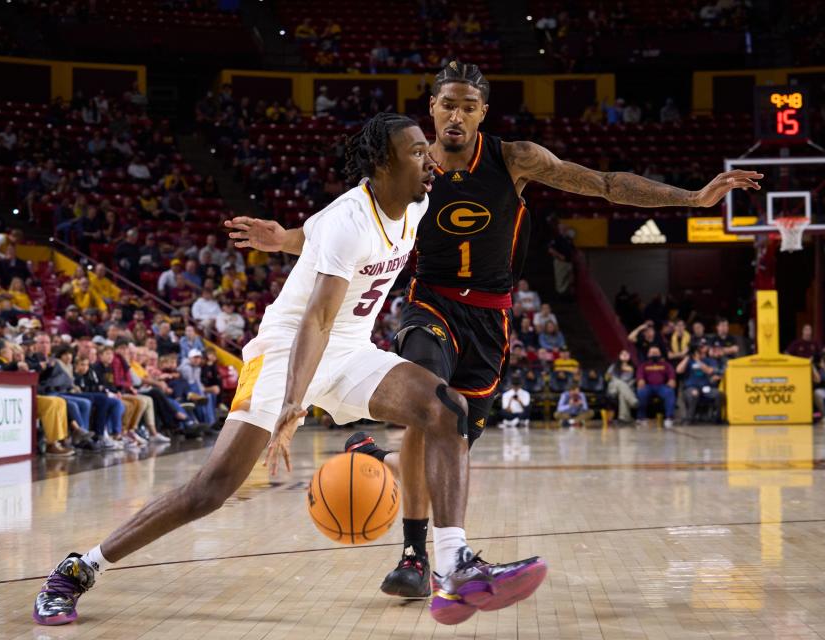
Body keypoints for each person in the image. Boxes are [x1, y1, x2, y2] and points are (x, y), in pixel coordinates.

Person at [227, 61, 761, 598]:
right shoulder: (409, 167)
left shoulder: (515, 159)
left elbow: (603, 185)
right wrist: (284, 238)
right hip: (429, 306)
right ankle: (417, 558)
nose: (455, 115)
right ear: (431, 109)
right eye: (446, 104)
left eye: (467, 106)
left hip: (490, 316)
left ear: (484, 112)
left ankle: (375, 457)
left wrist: (691, 198)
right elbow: (342, 230)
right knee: (430, 409)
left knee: (453, 444)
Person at [33, 113, 545, 628]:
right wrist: (292, 403)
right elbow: (315, 320)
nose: (430, 160)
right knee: (211, 489)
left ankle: (453, 565)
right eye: (416, 152)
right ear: (383, 164)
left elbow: (315, 235)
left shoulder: (414, 205)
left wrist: (282, 239)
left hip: (347, 351)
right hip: (285, 352)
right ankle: (79, 568)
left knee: (446, 410)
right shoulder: (352, 219)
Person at [636, 346, 677, 427]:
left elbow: (671, 374)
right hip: (648, 386)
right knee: (641, 393)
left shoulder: (666, 365)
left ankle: (669, 418)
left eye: (656, 352)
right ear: (648, 354)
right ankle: (641, 418)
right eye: (652, 352)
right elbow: (639, 374)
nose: (654, 354)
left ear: (660, 354)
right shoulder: (643, 365)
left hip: (661, 386)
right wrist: (640, 379)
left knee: (669, 392)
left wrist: (672, 379)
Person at [605, 349, 638, 423]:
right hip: (613, 388)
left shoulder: (633, 367)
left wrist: (631, 370)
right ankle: (633, 401)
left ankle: (623, 418)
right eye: (622, 354)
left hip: (627, 389)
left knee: (622, 394)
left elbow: (634, 380)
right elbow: (607, 378)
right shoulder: (614, 366)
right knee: (618, 382)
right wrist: (609, 376)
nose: (624, 355)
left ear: (629, 357)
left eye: (626, 354)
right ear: (619, 356)